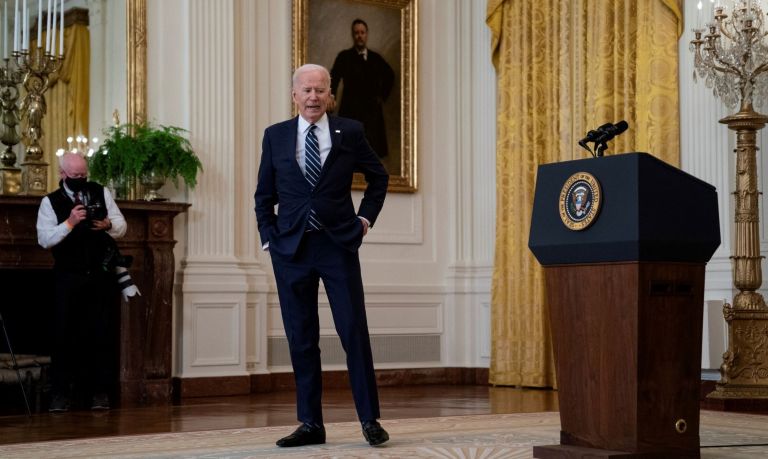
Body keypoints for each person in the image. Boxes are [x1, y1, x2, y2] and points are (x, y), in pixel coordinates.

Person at [254, 64, 390, 447]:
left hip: (337, 245)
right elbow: (264, 196)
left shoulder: (350, 131)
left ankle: (369, 420)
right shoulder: (275, 137)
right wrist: (269, 238)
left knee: (353, 332)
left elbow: (377, 178)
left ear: (330, 94)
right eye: (306, 90)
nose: (313, 97)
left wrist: (365, 219)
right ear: (294, 94)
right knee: (301, 337)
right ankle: (311, 423)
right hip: (291, 249)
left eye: (320, 90)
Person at [36, 152, 127, 412]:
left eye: (83, 175)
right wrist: (70, 222)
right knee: (63, 335)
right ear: (62, 174)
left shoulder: (101, 192)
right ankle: (60, 394)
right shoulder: (49, 202)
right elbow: (44, 239)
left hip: (99, 275)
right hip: (67, 277)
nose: (80, 179)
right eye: (75, 176)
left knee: (101, 333)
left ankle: (99, 392)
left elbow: (122, 225)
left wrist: (109, 224)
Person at [330, 18, 395, 158]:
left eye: (362, 32)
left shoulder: (376, 58)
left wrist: (382, 96)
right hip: (350, 112)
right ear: (352, 35)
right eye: (356, 33)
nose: (359, 36)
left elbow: (390, 76)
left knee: (371, 154)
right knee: (348, 154)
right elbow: (333, 78)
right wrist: (332, 97)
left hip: (372, 115)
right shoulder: (344, 57)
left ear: (367, 34)